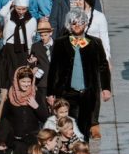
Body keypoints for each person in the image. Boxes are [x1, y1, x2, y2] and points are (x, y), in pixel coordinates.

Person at [46, 9, 111, 141]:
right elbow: (54, 68)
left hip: (88, 91)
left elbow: (103, 66)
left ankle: (83, 153)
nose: (77, 26)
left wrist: (106, 88)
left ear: (86, 24)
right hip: (66, 91)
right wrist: (50, 92)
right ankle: (70, 153)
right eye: (74, 23)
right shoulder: (61, 43)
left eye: (81, 23)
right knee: (68, 125)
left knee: (85, 125)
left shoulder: (95, 43)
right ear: (69, 25)